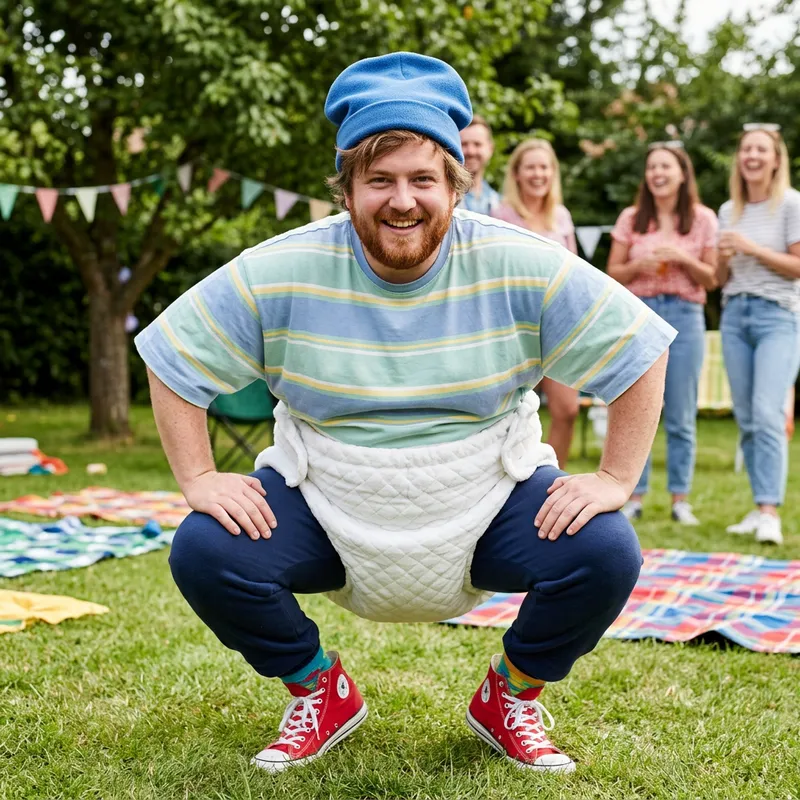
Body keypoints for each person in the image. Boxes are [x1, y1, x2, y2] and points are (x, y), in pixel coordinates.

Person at [135, 52, 675, 775]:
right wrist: (199, 476)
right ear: (347, 190)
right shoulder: (283, 266)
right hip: (327, 501)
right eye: (379, 180)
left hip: (485, 500)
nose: (403, 200)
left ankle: (510, 695)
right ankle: (317, 690)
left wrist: (615, 477)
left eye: (424, 179)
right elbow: (170, 352)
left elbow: (640, 347)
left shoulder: (521, 260)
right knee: (205, 549)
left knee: (605, 550)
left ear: (456, 185)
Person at [607, 142, 718, 525]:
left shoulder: (703, 219)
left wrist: (685, 258)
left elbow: (713, 277)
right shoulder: (631, 218)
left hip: (686, 316)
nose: (657, 173)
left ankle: (679, 499)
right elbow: (612, 274)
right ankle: (633, 495)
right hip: (641, 315)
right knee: (637, 409)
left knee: (681, 413)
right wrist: (641, 263)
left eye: (665, 167)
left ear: (682, 174)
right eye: (652, 167)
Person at [718, 124, 800, 546]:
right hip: (736, 316)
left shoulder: (790, 205)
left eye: (760, 150)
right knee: (747, 418)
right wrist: (723, 256)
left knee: (769, 413)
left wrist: (749, 248)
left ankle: (770, 512)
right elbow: (719, 279)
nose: (752, 155)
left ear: (775, 159)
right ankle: (757, 506)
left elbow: (797, 266)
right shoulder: (727, 210)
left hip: (777, 318)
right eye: (746, 148)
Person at [491, 139, 581, 468]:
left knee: (567, 411)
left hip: (557, 326)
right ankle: (511, 477)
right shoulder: (501, 215)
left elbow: (575, 271)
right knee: (510, 415)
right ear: (516, 173)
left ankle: (552, 481)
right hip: (515, 327)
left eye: (544, 167)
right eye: (530, 166)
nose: (538, 173)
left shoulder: (561, 216)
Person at [457, 115, 501, 215]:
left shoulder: (500, 203)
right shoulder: (444, 199)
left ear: (490, 149)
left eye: (477, 144)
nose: (471, 151)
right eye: (464, 144)